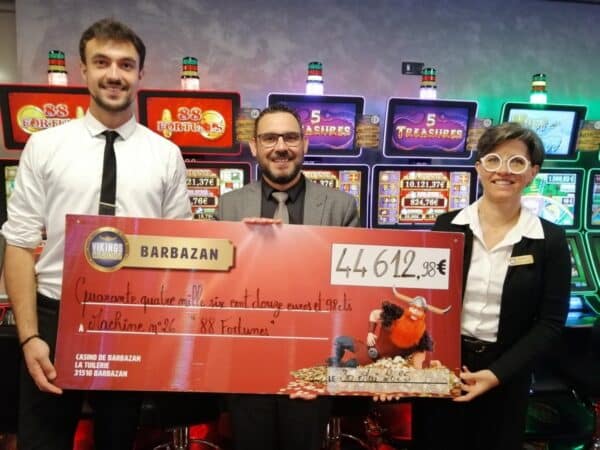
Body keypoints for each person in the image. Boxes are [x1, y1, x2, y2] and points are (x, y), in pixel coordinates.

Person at [2, 18, 192, 450]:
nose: (114, 74)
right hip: (54, 314)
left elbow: (178, 250)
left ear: (140, 74)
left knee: (118, 440)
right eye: (102, 62)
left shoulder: (166, 155)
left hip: (133, 318)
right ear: (83, 69)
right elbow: (19, 244)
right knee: (42, 441)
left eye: (126, 64)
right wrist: (29, 337)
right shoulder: (44, 147)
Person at [412, 122, 571, 450]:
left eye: (517, 162)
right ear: (479, 167)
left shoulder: (551, 240)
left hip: (507, 374)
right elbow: (423, 301)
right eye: (494, 160)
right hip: (443, 366)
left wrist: (497, 374)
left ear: (532, 173)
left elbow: (550, 323)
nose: (504, 170)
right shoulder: (446, 226)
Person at [214, 103, 360, 450]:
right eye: (270, 138)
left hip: (313, 360)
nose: (281, 147)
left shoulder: (341, 206)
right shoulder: (229, 206)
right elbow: (216, 286)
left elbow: (353, 288)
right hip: (247, 360)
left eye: (290, 137)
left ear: (304, 144)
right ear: (254, 147)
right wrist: (244, 248)